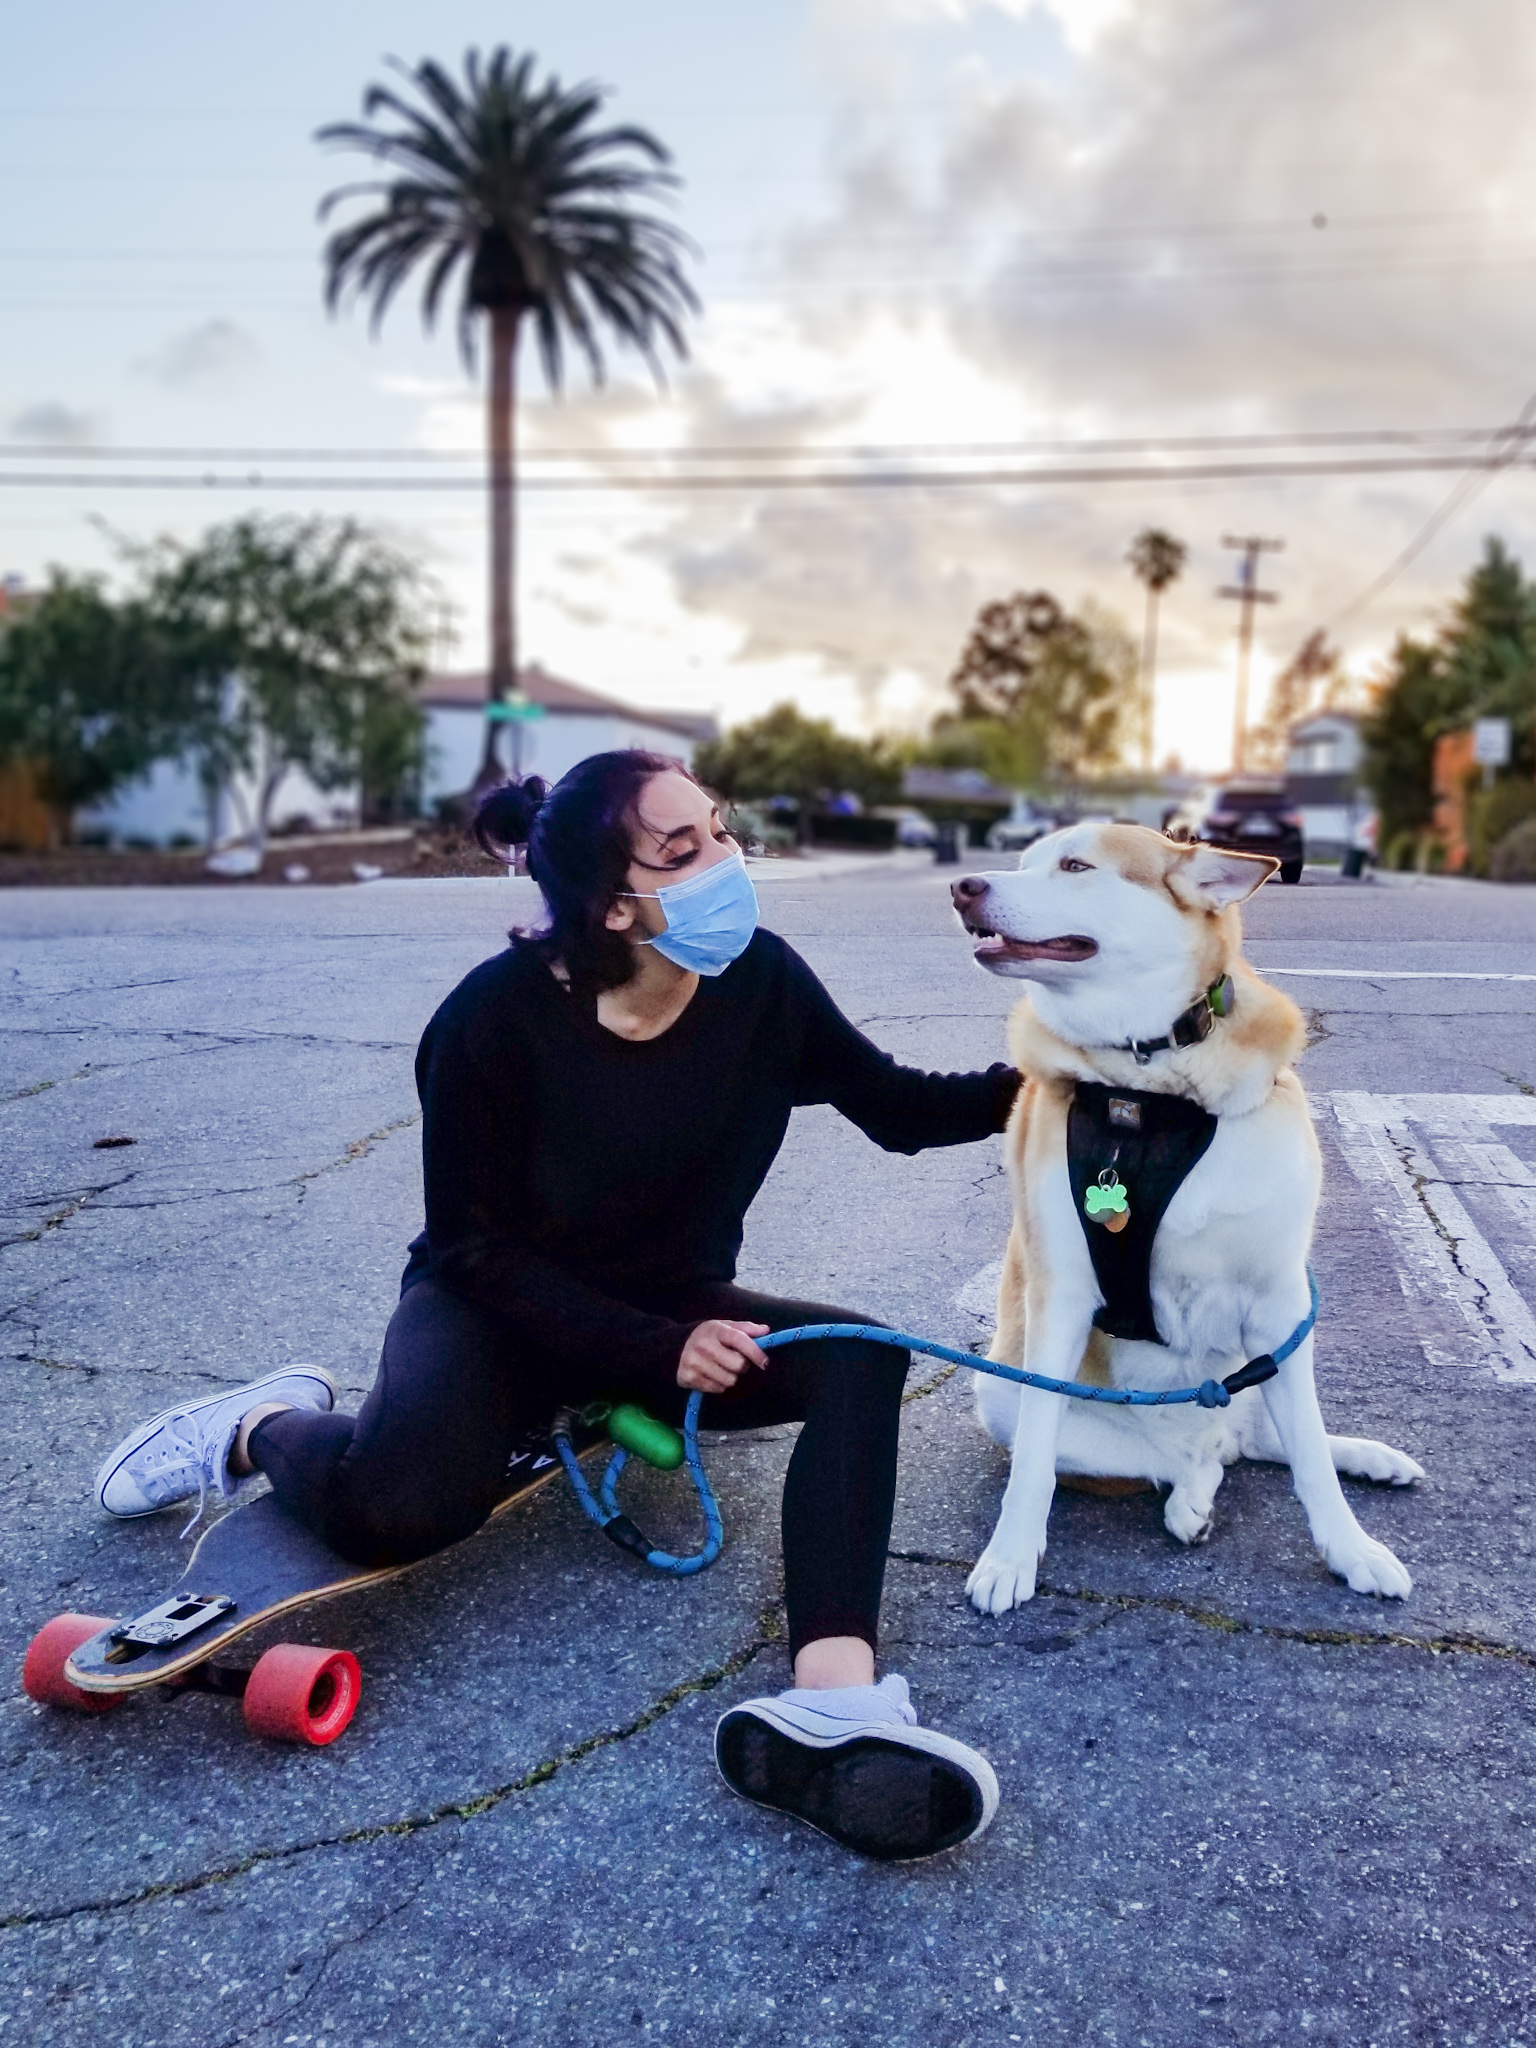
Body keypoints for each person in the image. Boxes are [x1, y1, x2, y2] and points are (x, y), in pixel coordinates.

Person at [93, 750, 1019, 1861]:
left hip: (667, 1306)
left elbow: (900, 1108)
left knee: (861, 1356)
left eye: (722, 830)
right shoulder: (491, 1019)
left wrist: (1065, 1083)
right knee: (402, 1509)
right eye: (685, 849)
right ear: (613, 904)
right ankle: (255, 1424)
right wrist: (657, 1347)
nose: (730, 862)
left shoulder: (761, 980)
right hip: (492, 1311)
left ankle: (833, 1699)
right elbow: (472, 1248)